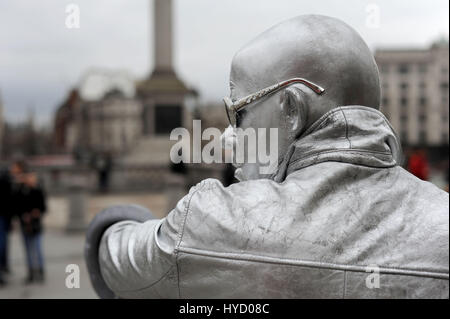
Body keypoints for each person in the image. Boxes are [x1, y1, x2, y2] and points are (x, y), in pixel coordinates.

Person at [85, 15, 449, 298]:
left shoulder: (213, 224)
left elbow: (116, 258)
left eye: (238, 113)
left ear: (291, 109)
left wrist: (114, 221)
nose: (229, 136)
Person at [18, 172, 46, 284]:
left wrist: (36, 212)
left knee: (37, 248)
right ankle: (31, 272)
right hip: (24, 225)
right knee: (28, 249)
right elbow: (17, 206)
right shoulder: (21, 191)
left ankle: (40, 271)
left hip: (35, 225)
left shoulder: (38, 191)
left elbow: (43, 207)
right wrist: (23, 215)